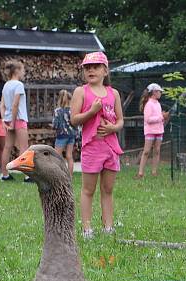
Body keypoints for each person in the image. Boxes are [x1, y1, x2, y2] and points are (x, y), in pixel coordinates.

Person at [70, 51, 124, 239]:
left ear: (105, 70)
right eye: (87, 68)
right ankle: (87, 229)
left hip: (110, 148)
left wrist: (113, 128)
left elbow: (120, 121)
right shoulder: (80, 92)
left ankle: (108, 227)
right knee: (88, 189)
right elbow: (74, 119)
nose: (91, 70)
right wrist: (92, 111)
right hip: (92, 148)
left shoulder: (113, 93)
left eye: (95, 67)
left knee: (108, 189)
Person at [0, 60, 29, 182]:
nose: (24, 72)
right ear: (17, 71)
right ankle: (28, 176)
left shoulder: (6, 85)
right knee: (24, 148)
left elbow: (2, 105)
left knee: (7, 147)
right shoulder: (19, 85)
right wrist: (12, 122)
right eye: (22, 70)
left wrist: (3, 120)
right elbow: (15, 104)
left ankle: (4, 175)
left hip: (7, 120)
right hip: (18, 119)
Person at [136, 83, 170, 180]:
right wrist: (161, 117)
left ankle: (154, 172)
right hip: (150, 131)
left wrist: (163, 117)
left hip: (159, 130)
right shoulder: (148, 104)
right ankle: (140, 172)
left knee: (157, 150)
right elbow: (148, 119)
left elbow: (159, 118)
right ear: (154, 92)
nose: (160, 93)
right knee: (146, 151)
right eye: (159, 91)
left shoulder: (158, 104)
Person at [52, 89, 76, 178]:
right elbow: (75, 123)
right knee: (69, 156)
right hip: (71, 135)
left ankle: (58, 175)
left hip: (61, 136)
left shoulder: (57, 111)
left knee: (57, 156)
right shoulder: (72, 111)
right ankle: (70, 176)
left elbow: (55, 125)